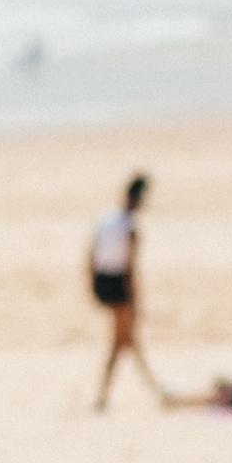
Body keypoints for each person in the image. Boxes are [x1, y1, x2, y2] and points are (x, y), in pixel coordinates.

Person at [92, 174, 167, 411]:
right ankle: (154, 390)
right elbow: (131, 269)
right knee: (125, 340)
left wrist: (92, 286)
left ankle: (149, 389)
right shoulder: (131, 228)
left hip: (104, 282)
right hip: (119, 286)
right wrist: (136, 300)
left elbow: (91, 256)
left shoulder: (105, 219)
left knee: (124, 340)